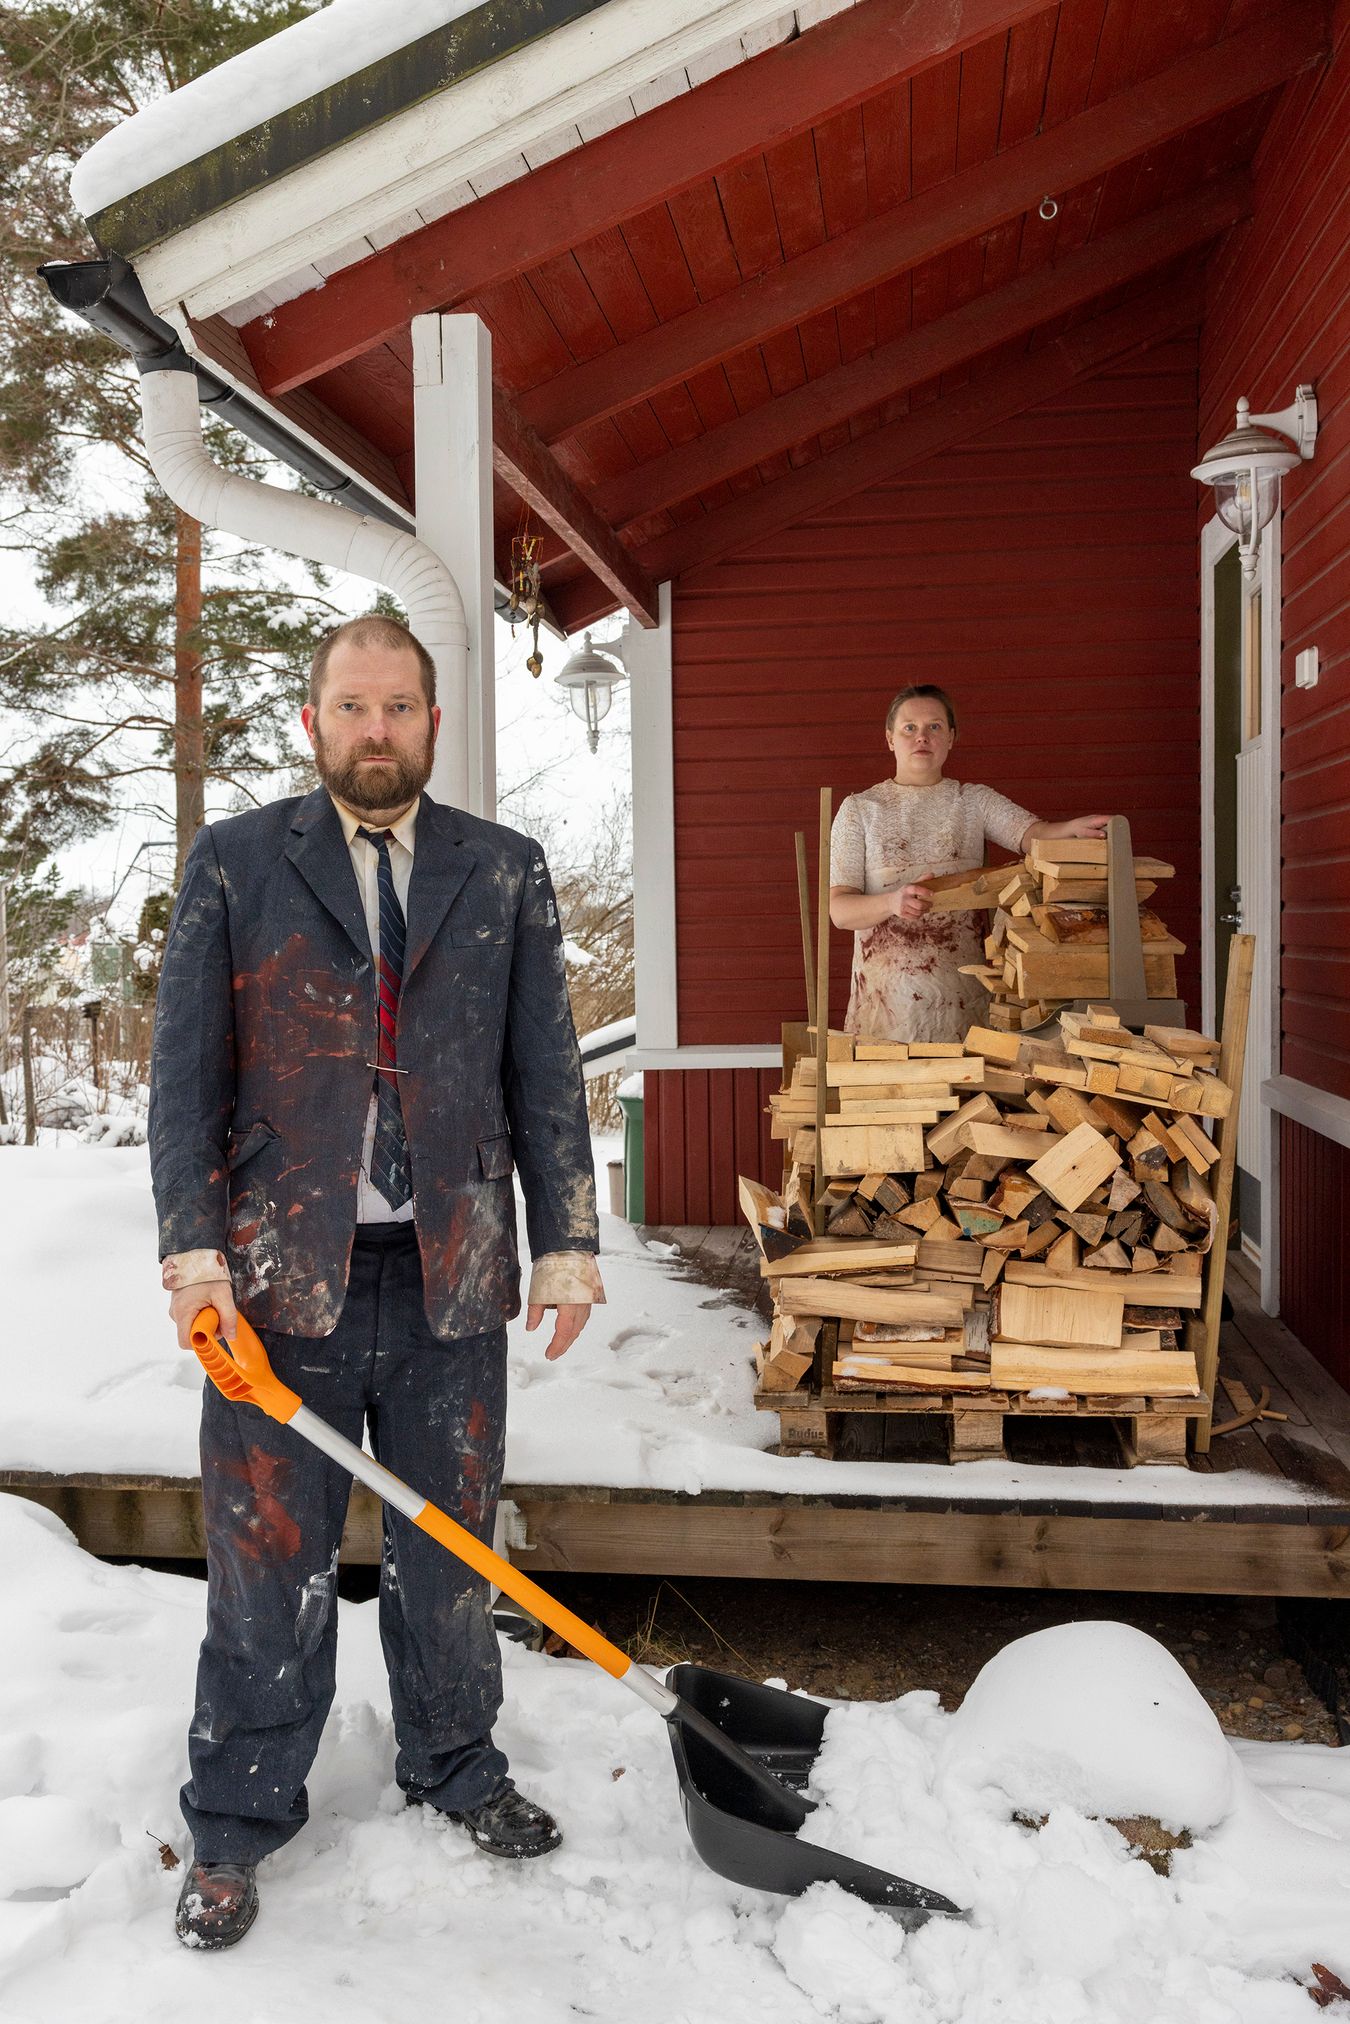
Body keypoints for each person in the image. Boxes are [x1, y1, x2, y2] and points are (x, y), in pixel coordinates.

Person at [149, 613, 604, 1950]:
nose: (374, 731)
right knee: (264, 1560)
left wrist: (567, 1237)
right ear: (312, 721)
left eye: (398, 708)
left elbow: (546, 1073)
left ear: (432, 722)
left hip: (451, 1274)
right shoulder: (237, 863)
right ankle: (236, 1818)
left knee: (449, 1551)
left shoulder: (501, 870)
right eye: (351, 707)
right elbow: (185, 1082)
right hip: (277, 1285)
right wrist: (193, 1258)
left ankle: (456, 1764)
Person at [829, 684, 1108, 1041]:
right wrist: (891, 902)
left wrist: (1072, 828)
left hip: (963, 997)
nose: (922, 737)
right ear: (889, 739)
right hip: (885, 1003)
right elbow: (840, 911)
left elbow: (1031, 834)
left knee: (967, 1094)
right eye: (909, 728)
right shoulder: (860, 810)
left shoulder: (973, 801)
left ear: (951, 738)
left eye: (934, 727)